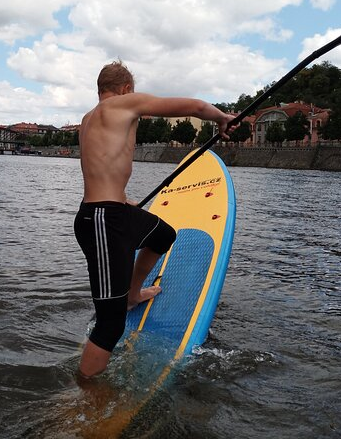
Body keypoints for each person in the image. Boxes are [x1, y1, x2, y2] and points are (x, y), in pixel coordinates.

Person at [74, 60, 235, 379]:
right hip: (104, 221)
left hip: (110, 211)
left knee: (163, 235)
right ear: (125, 89)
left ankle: (133, 293)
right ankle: (82, 397)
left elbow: (101, 168)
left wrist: (126, 202)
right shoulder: (123, 103)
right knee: (111, 323)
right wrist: (221, 118)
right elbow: (197, 105)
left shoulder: (87, 119)